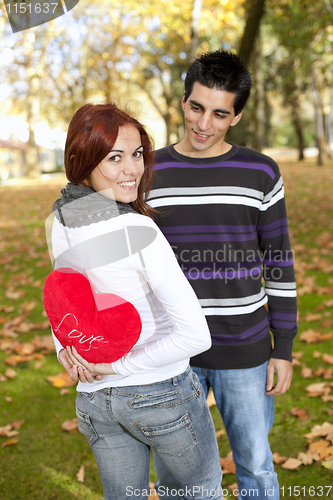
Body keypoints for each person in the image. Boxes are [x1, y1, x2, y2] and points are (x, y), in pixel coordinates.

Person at [45, 103, 223, 500]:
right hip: (160, 394)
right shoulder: (138, 229)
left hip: (96, 401)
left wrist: (65, 352)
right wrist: (116, 365)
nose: (132, 169)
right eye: (115, 158)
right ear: (83, 160)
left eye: (137, 153)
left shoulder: (60, 220)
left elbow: (60, 299)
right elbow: (197, 336)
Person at [148, 50, 297, 500]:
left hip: (246, 349)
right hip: (172, 352)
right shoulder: (147, 172)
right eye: (196, 107)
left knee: (254, 466)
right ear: (183, 101)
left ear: (236, 116)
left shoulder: (260, 172)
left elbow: (279, 262)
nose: (203, 124)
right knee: (177, 477)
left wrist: (283, 347)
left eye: (219, 113)